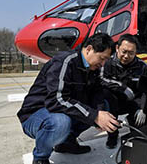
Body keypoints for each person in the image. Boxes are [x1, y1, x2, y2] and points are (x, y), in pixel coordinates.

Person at [17, 33, 120, 164]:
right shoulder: (64, 62)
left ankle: (67, 143)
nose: (103, 63)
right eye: (102, 58)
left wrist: (99, 113)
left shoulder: (93, 68)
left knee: (104, 106)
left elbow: (97, 93)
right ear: (89, 49)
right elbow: (56, 100)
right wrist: (94, 116)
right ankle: (40, 158)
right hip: (36, 114)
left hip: (58, 111)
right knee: (61, 122)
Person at [101, 33, 147, 149]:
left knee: (140, 132)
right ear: (117, 48)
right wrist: (122, 88)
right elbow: (101, 80)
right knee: (106, 97)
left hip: (134, 101)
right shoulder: (107, 62)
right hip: (114, 101)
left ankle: (132, 121)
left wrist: (143, 108)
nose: (126, 56)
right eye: (124, 51)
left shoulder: (142, 67)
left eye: (131, 53)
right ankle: (112, 135)